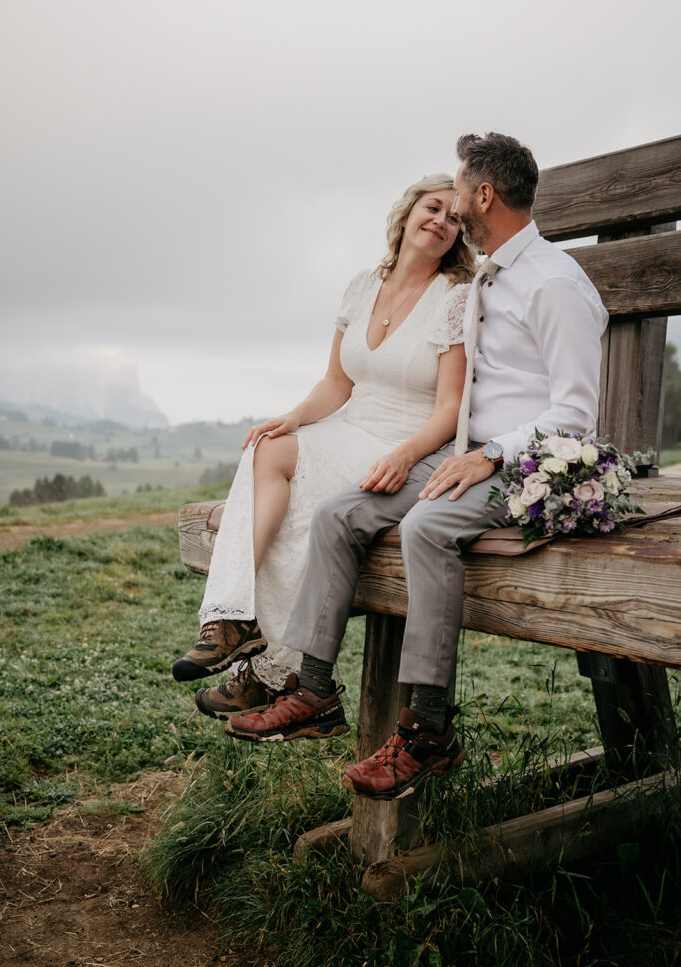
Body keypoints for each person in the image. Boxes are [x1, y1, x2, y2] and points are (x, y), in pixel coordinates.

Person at [225, 132, 609, 802]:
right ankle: (313, 691)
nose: (452, 204)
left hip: (528, 462)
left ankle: (429, 730)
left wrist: (489, 455)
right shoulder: (486, 275)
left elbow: (575, 414)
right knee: (340, 513)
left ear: (482, 195)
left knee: (427, 528)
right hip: (463, 453)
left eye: (457, 190)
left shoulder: (554, 283)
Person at [172, 173, 478, 721]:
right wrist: (292, 417)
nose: (441, 221)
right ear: (408, 212)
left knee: (300, 509)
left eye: (455, 218)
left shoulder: (454, 297)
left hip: (403, 442)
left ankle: (273, 671)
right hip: (350, 426)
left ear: (460, 235)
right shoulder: (363, 285)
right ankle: (231, 618)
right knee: (266, 449)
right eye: (433, 207)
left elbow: (450, 409)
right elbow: (337, 383)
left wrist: (406, 456)